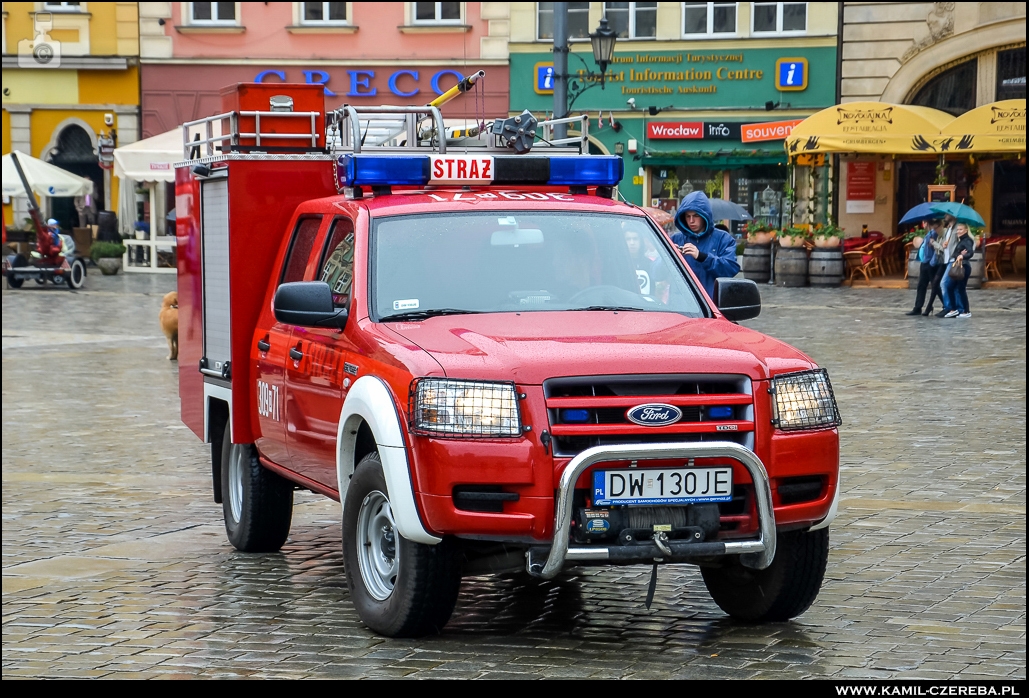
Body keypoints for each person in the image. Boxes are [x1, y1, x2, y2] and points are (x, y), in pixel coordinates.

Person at [670, 191, 740, 298]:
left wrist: (702, 257)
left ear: (705, 216)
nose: (691, 221)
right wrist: (669, 257)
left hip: (711, 306)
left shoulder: (723, 239)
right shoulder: (675, 239)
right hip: (682, 305)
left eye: (696, 216)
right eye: (688, 216)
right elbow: (657, 273)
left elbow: (730, 270)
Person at [906, 219, 944, 316]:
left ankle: (946, 305)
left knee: (936, 286)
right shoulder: (929, 233)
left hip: (931, 264)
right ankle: (918, 307)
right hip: (925, 262)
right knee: (922, 285)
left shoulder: (935, 234)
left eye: (924, 222)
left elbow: (937, 250)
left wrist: (931, 263)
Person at [926, 215, 957, 317]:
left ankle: (949, 307)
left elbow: (943, 248)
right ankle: (945, 306)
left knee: (941, 284)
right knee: (938, 284)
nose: (935, 230)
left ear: (940, 226)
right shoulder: (944, 233)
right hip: (942, 261)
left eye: (936, 228)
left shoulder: (946, 232)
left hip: (946, 261)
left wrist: (934, 243)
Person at [943, 223, 975, 319]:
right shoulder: (961, 240)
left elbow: (970, 252)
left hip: (963, 267)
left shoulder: (967, 240)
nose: (958, 231)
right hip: (960, 266)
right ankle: (955, 309)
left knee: (958, 288)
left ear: (966, 230)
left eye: (960, 229)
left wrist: (963, 256)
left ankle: (965, 311)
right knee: (951, 287)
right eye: (957, 230)